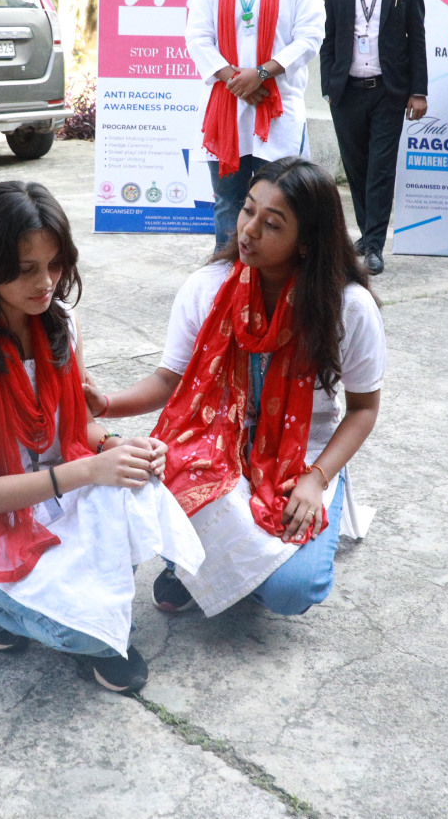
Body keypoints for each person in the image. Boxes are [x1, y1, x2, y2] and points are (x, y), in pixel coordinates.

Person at [0, 181, 201, 694]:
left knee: (140, 488)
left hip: (55, 494)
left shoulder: (60, 322)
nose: (46, 283)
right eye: (26, 269)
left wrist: (116, 446)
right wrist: (89, 469)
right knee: (83, 631)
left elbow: (77, 429)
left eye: (55, 264)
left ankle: (43, 608)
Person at [86, 157, 383, 620]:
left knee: (292, 590)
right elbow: (169, 380)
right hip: (211, 444)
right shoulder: (207, 287)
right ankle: (202, 567)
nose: (248, 230)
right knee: (141, 487)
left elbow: (363, 409)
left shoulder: (348, 307)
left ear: (307, 243)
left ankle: (207, 569)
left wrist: (316, 478)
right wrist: (105, 403)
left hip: (301, 458)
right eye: (248, 210)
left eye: (272, 224)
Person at [184, 0, 326, 250]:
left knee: (281, 202)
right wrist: (237, 80)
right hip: (227, 107)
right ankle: (229, 274)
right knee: (228, 203)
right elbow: (197, 37)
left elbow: (310, 37)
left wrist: (260, 74)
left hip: (277, 108)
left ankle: (276, 273)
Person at [320, 0, 429, 276]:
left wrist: (418, 91)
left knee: (380, 169)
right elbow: (330, 37)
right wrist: (329, 87)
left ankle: (375, 244)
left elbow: (417, 37)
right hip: (347, 91)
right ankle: (367, 235)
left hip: (388, 91)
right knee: (356, 168)